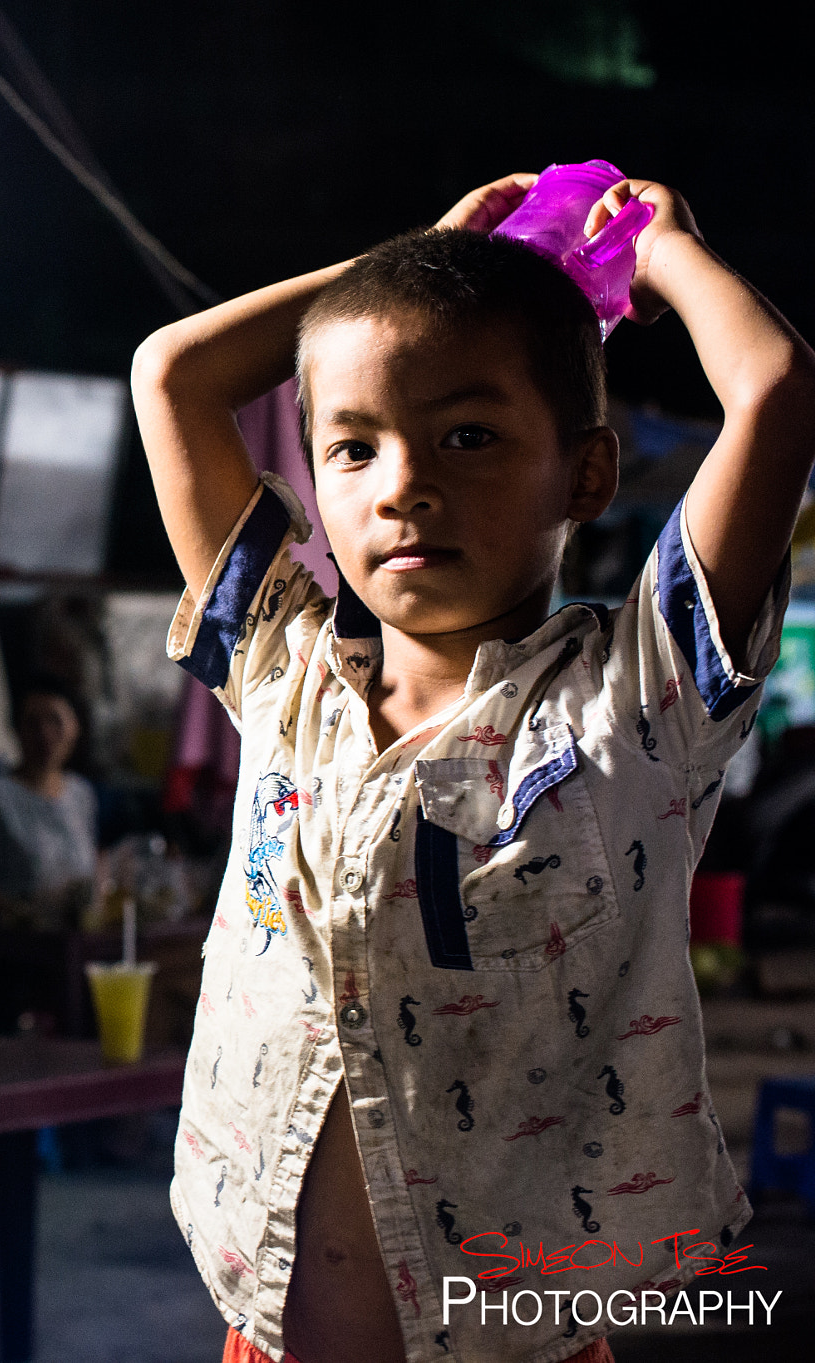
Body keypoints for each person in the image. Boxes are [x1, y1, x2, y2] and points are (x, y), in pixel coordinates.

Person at [131, 173, 815, 1363]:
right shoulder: (281, 674)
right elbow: (174, 373)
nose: (401, 483)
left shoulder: (632, 704)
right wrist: (402, 263)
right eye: (352, 445)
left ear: (585, 476)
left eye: (467, 435)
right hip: (259, 1338)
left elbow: (772, 389)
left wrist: (661, 258)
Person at [0, 683, 99, 929]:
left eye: (55, 721)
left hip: (76, 935)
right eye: (32, 723)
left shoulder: (81, 794)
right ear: (16, 730)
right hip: (19, 941)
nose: (45, 734)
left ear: (75, 727)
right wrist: (23, 914)